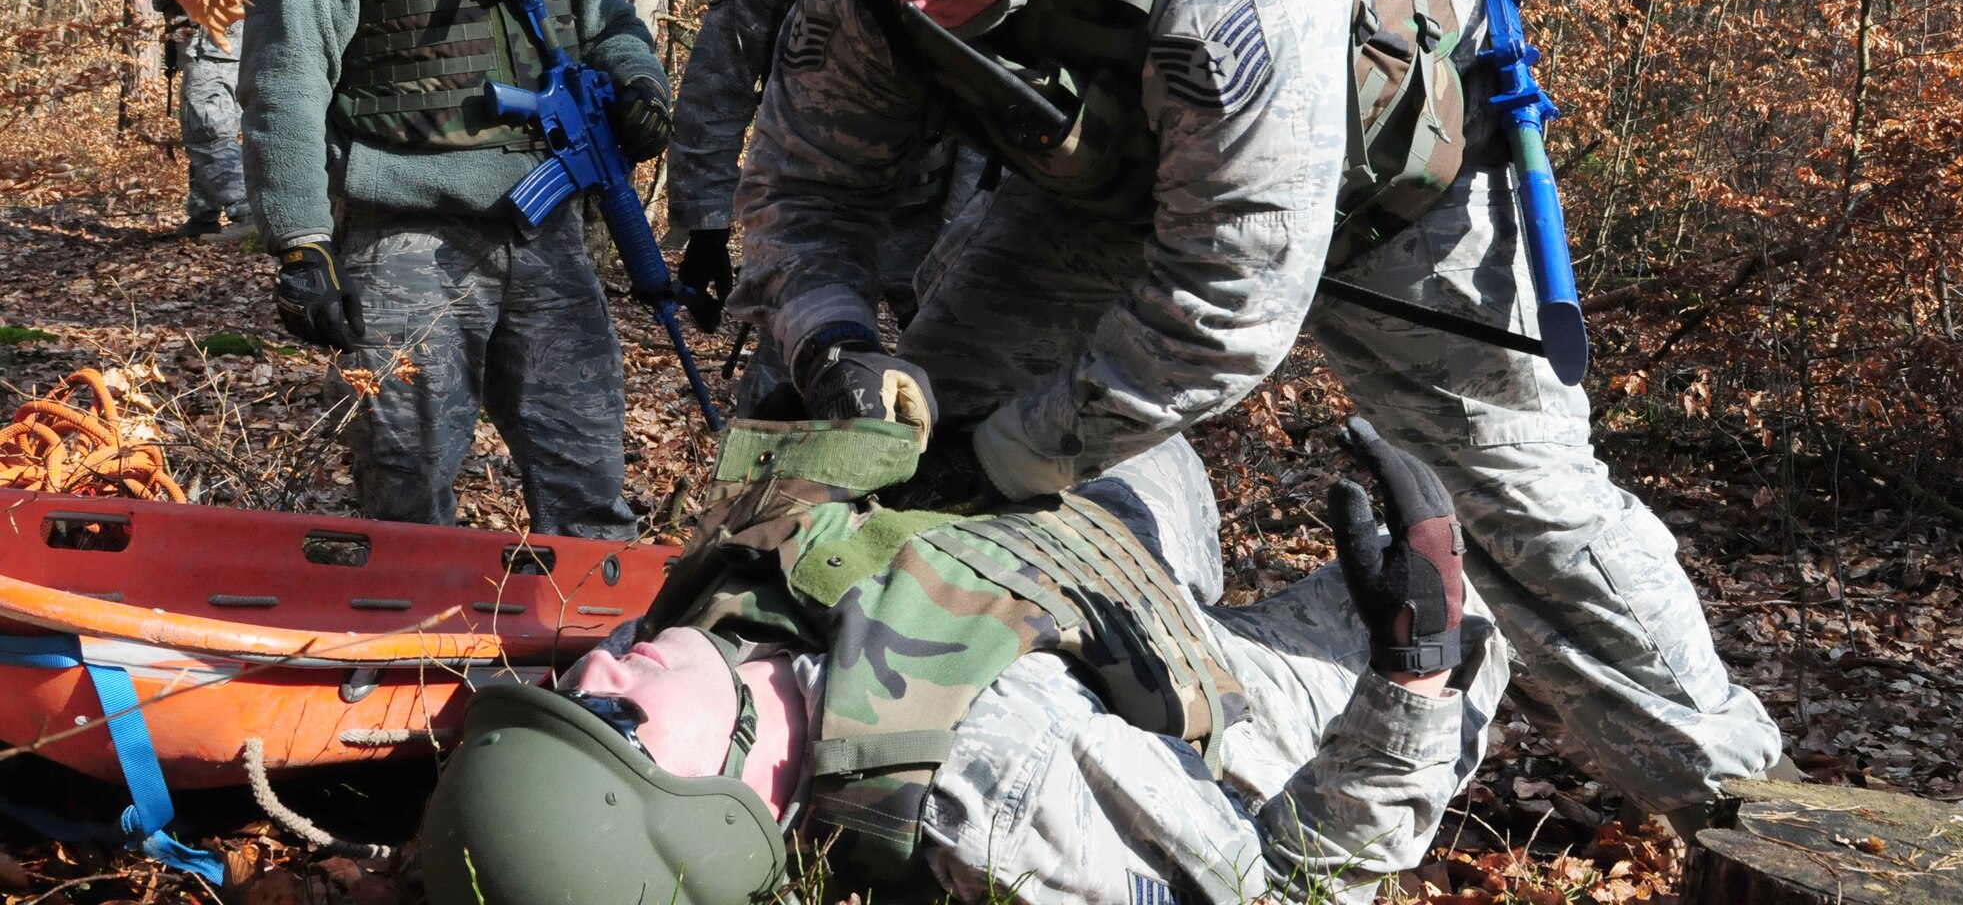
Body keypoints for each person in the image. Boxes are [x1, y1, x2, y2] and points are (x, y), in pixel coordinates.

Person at [728, 0, 1790, 835]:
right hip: (1106, 180)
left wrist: (1030, 451)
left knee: (1524, 510)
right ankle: (924, 764)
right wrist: (832, 344)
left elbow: (1224, 300)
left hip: (1402, 189)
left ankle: (1745, 808)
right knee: (923, 450)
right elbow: (799, 190)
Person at [419, 415, 1509, 905]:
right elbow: (1279, 891)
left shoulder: (715, 636)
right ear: (714, 809)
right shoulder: (993, 784)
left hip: (1076, 537)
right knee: (1501, 560)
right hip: (1206, 668)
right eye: (613, 724)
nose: (597, 671)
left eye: (560, 694)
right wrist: (1410, 670)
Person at [237, 0, 673, 539]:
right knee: (405, 480)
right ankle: (407, 658)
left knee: (587, 475)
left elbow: (611, 21)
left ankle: (595, 656)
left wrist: (639, 87)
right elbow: (288, 72)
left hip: (544, 232)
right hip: (405, 232)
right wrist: (300, 239)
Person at [667, 0, 975, 407]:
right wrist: (706, 220)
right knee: (792, 386)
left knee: (958, 393)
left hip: (934, 214)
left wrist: (966, 235)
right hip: (817, 212)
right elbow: (715, 87)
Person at [154, 0, 255, 243]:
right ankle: (203, 214)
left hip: (208, 43)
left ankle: (244, 212)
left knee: (206, 130)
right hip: (240, 46)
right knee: (219, 126)